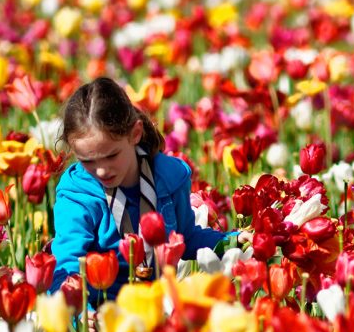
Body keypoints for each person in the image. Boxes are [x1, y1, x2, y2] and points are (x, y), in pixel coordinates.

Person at [49, 77, 238, 305]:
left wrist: (234, 242)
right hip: (101, 313)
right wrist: (81, 315)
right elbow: (67, 265)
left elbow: (186, 238)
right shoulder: (77, 195)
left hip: (157, 304)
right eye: (87, 161)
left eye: (111, 156)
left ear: (135, 133)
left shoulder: (169, 178)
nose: (101, 170)